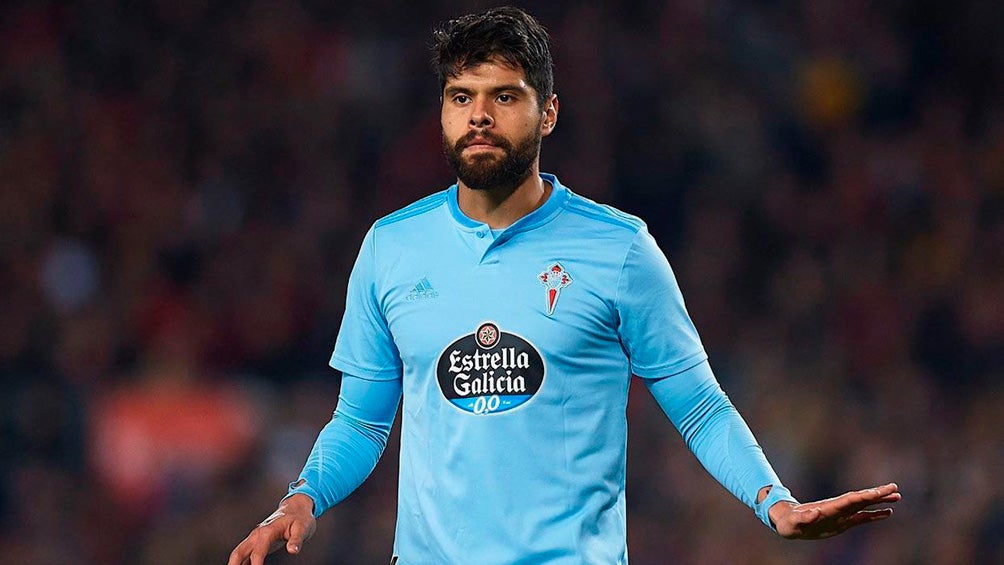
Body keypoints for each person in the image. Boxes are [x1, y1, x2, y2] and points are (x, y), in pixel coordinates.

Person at [229, 7, 900, 565]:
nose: (479, 115)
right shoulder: (391, 248)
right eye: (462, 97)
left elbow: (699, 405)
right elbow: (362, 420)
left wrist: (774, 501)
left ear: (547, 112)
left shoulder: (620, 250)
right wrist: (301, 498)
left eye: (504, 96)